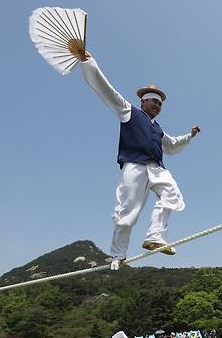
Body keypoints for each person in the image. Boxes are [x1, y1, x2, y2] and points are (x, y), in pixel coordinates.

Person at [79, 51, 201, 270]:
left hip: (156, 168)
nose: (157, 106)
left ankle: (155, 236)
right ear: (143, 101)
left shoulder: (157, 128)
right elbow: (107, 91)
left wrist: (190, 136)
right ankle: (117, 255)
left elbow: (171, 145)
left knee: (172, 195)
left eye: (160, 104)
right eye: (154, 101)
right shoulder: (129, 112)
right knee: (127, 212)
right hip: (134, 166)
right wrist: (89, 63)